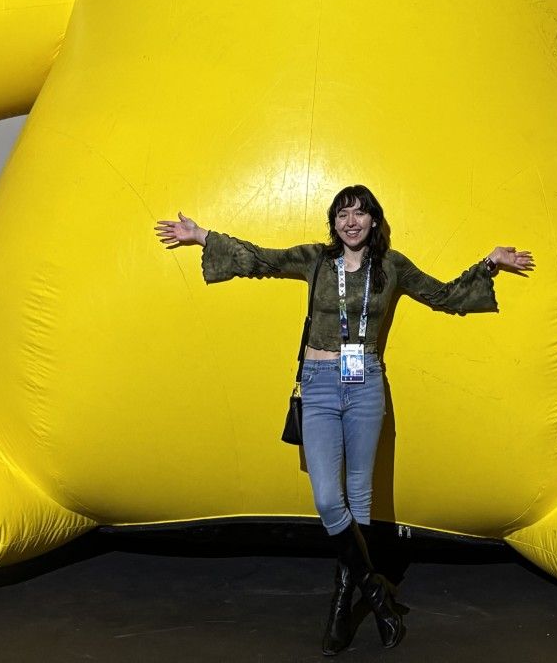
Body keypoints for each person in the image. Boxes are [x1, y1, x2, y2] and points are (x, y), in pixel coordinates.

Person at [155, 186, 534, 654]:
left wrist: (490, 263)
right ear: (333, 221)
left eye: (360, 213)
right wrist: (201, 236)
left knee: (359, 499)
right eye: (342, 213)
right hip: (317, 383)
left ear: (374, 220)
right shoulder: (316, 259)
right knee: (329, 500)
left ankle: (340, 606)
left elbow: (443, 295)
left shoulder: (391, 266)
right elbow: (261, 259)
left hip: (366, 385)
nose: (350, 221)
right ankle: (377, 596)